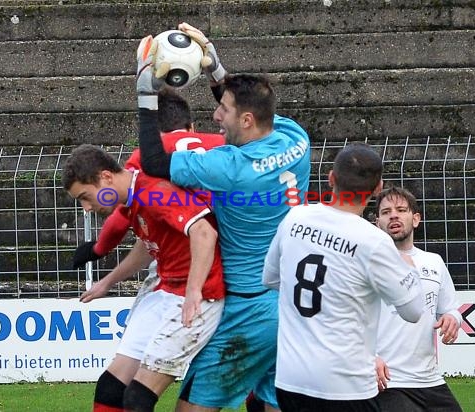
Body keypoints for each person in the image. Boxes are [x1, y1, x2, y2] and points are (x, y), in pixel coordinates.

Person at [136, 23, 311, 411]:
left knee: (193, 407)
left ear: (246, 121)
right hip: (288, 302)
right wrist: (216, 70)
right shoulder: (294, 137)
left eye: (223, 110)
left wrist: (145, 94)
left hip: (248, 307)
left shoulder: (231, 166)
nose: (216, 115)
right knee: (268, 403)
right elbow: (246, 101)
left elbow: (153, 161)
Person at [62, 144, 225, 412]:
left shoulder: (155, 191)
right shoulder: (134, 198)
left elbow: (204, 234)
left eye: (85, 196)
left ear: (105, 177)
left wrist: (194, 291)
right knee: (110, 389)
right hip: (165, 291)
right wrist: (108, 282)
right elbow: (149, 244)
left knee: (137, 398)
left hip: (197, 297)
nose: (87, 207)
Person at [262, 143, 424, 412]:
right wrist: (408, 267)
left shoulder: (295, 217)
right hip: (345, 385)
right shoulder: (374, 241)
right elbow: (413, 310)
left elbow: (271, 278)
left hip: (291, 380)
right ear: (377, 188)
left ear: (331, 178)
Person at [72, 88, 224, 269]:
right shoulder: (223, 144)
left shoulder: (144, 158)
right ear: (191, 127)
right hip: (231, 242)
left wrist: (98, 249)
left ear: (150, 135)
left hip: (184, 252)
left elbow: (124, 211)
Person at [374, 186, 463, 412]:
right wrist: (368, 358)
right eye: (386, 212)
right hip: (388, 382)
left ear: (415, 219)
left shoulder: (434, 261)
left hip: (430, 380)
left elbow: (450, 308)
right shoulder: (368, 264)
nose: (393, 215)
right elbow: (347, 320)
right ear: (377, 224)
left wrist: (453, 319)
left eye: (401, 210)